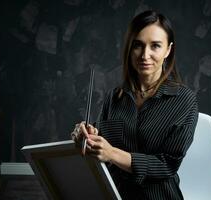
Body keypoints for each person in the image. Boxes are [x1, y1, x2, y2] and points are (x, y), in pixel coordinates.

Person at [71, 10, 198, 200]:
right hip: (114, 194)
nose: (145, 55)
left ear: (168, 50)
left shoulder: (184, 100)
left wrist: (112, 153)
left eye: (155, 46)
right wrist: (87, 135)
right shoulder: (114, 97)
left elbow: (167, 165)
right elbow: (100, 142)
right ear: (129, 49)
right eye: (138, 45)